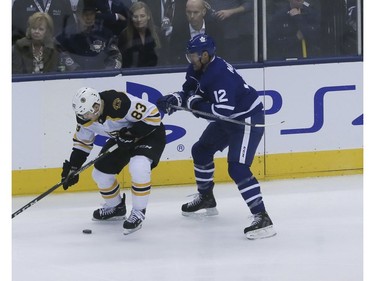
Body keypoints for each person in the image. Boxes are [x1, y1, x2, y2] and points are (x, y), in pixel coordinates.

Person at [156, 34, 276, 240]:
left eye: (192, 56)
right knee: (201, 150)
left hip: (246, 120)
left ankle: (262, 217)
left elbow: (222, 111)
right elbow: (189, 90)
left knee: (237, 167)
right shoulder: (198, 66)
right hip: (230, 119)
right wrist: (176, 98)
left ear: (205, 55)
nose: (190, 60)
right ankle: (206, 197)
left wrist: (193, 105)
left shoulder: (219, 74)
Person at [61, 87, 166, 234]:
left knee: (139, 167)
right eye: (81, 114)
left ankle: (138, 212)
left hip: (150, 133)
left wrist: (132, 134)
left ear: (96, 107)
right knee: (100, 173)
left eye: (86, 113)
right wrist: (73, 167)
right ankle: (116, 207)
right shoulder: (85, 118)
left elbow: (154, 116)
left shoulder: (118, 103)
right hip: (122, 140)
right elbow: (82, 143)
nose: (84, 117)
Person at [55, 0, 122, 71]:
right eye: (85, 14)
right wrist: (75, 70)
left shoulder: (105, 34)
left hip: (101, 76)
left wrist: (108, 72)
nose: (89, 18)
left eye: (92, 14)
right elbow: (59, 51)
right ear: (77, 15)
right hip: (74, 77)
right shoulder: (66, 35)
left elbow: (115, 55)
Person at [167, 0, 222, 65]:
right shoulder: (178, 30)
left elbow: (221, 52)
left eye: (196, 12)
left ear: (204, 12)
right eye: (189, 12)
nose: (192, 16)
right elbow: (173, 55)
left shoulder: (214, 28)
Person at [118, 1, 161, 68]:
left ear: (148, 16)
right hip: (132, 75)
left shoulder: (158, 33)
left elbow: (166, 57)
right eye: (135, 17)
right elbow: (122, 62)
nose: (139, 20)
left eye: (142, 16)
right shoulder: (124, 36)